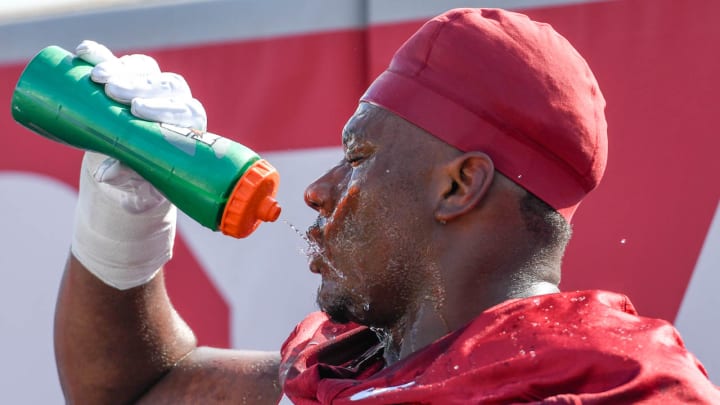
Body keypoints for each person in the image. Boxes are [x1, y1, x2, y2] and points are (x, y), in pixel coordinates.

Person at [54, 8, 720, 404]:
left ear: (459, 186)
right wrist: (124, 208)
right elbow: (136, 387)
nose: (317, 190)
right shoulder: (363, 367)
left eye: (361, 157)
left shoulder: (608, 387)